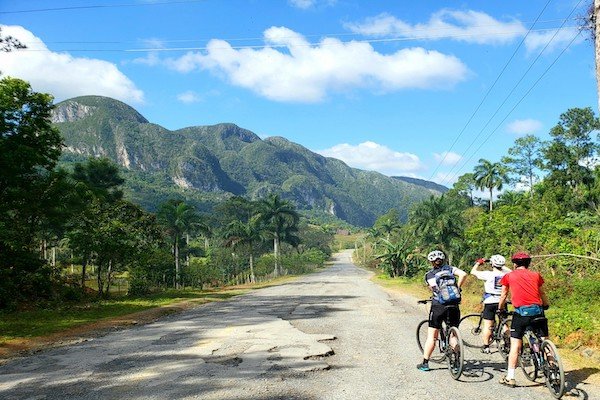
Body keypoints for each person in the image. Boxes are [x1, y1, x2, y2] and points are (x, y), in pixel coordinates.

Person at [497, 251, 550, 387]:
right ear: (528, 263)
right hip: (538, 312)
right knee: (545, 341)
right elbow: (542, 292)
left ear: (514, 264)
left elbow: (503, 295)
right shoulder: (536, 275)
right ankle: (553, 370)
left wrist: (500, 309)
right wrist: (546, 304)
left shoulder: (509, 276)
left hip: (521, 314)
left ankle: (510, 377)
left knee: (515, 344)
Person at [417, 250, 468, 371]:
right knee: (453, 333)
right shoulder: (450, 269)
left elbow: (432, 290)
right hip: (454, 305)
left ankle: (425, 363)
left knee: (432, 336)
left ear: (431, 262)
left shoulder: (429, 275)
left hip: (438, 305)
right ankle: (456, 362)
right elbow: (464, 274)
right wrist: (458, 288)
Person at [470, 254, 512, 353]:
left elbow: (473, 272)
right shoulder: (506, 274)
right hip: (502, 301)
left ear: (492, 264)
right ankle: (507, 343)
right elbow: (510, 270)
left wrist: (479, 263)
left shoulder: (487, 274)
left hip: (490, 301)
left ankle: (486, 346)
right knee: (504, 323)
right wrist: (501, 265)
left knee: (488, 324)